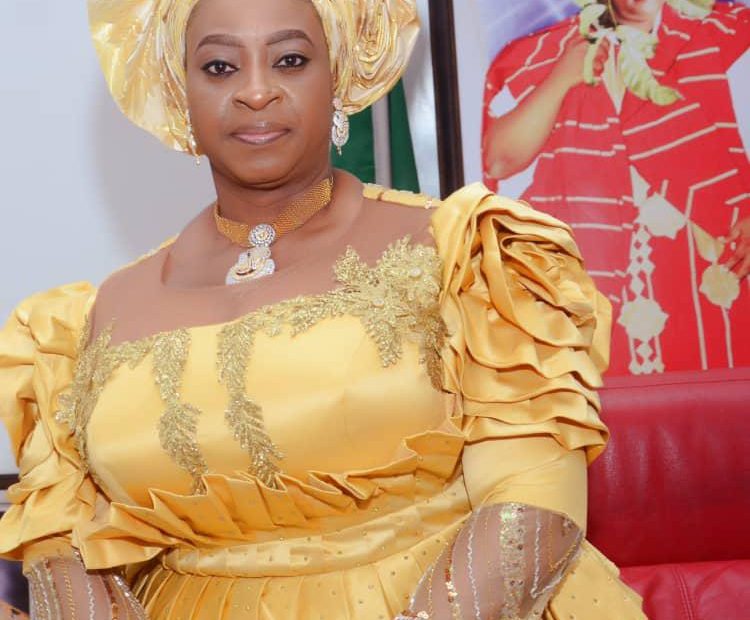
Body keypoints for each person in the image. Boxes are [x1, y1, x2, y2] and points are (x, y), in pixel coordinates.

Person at [0, 0, 646, 618]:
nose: (256, 91)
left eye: (290, 60)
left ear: (339, 72)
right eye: (220, 66)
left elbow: (532, 508)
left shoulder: (467, 253)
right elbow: (65, 550)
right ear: (178, 89)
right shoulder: (86, 323)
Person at [483, 0, 750, 375]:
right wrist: (561, 77)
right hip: (591, 297)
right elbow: (498, 161)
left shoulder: (732, 36)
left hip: (709, 293)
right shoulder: (538, 53)